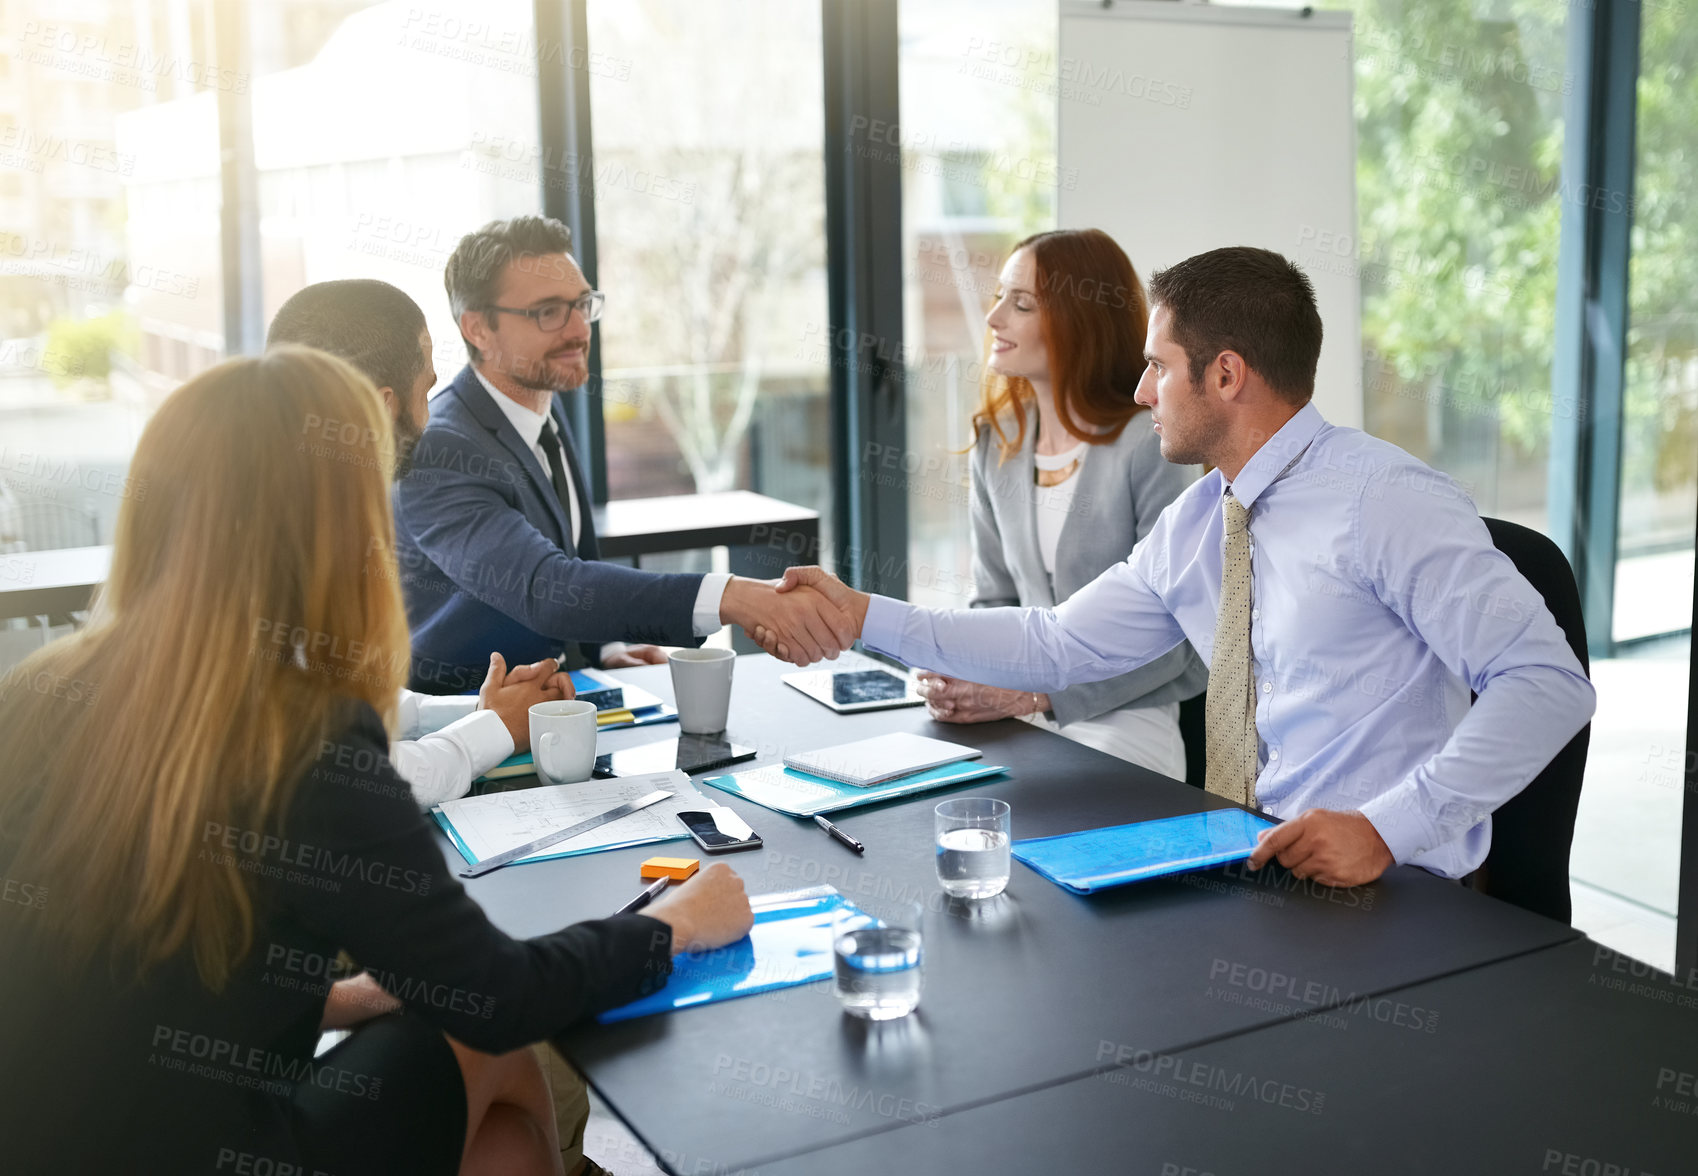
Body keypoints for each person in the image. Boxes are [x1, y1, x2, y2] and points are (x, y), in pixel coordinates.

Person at [0, 348, 754, 1175]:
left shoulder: (37, 693)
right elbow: (495, 995)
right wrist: (668, 928)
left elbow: (139, 964)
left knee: (489, 1119)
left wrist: (351, 996)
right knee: (482, 1044)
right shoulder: (300, 735)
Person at [759, 246, 1596, 889]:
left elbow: (1546, 681)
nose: (1140, 392)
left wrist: (1387, 827)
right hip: (1258, 864)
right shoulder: (1202, 522)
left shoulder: (1384, 499)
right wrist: (862, 614)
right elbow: (1054, 645)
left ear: (1226, 374)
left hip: (1396, 888)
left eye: (1158, 366)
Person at [395, 215, 849, 693]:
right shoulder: (440, 449)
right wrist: (733, 596)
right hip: (466, 724)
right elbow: (547, 587)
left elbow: (568, 552)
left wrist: (606, 648)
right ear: (478, 329)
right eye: (549, 311)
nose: (578, 330)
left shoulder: (540, 402)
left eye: (582, 305)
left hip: (555, 700)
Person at [267, 278, 573, 808]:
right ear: (382, 407)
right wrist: (496, 728)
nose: (430, 417)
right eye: (426, 392)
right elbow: (371, 779)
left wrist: (495, 709)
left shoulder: (289, 511)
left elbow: (345, 706)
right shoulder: (286, 551)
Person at [923, 228, 1205, 778]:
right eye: (1000, 296)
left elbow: (1180, 642)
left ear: (1081, 321)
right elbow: (995, 601)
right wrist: (957, 671)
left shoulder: (1151, 443)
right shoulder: (997, 440)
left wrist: (1037, 697)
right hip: (1014, 716)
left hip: (1124, 724)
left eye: (1021, 303)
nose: (994, 318)